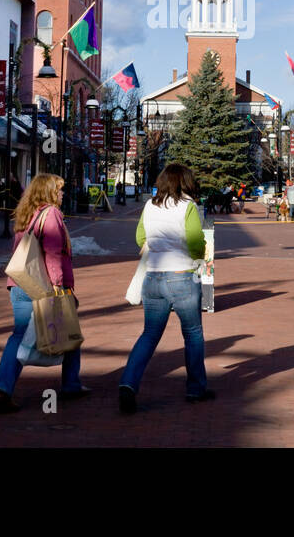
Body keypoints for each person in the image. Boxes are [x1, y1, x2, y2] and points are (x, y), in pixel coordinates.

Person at [118, 163, 211, 414]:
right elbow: (194, 241)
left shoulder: (149, 205)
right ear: (185, 181)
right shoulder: (187, 206)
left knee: (149, 334)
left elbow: (140, 238)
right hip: (182, 275)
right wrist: (200, 254)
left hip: (153, 277)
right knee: (192, 332)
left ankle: (128, 382)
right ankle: (195, 387)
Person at [0, 173, 87, 413]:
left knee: (18, 336)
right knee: (70, 331)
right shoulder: (51, 213)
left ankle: (3, 387)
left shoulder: (26, 214)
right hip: (45, 286)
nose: (63, 194)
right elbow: (53, 253)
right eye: (59, 189)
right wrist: (58, 285)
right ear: (49, 192)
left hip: (21, 285)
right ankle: (71, 384)